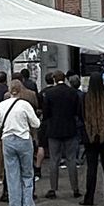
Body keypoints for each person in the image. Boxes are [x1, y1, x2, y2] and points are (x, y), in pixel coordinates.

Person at [0, 76, 41, 206]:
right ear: (21, 90)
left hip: (8, 140)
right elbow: (36, 123)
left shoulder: (2, 105)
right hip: (23, 139)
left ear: (9, 91)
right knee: (27, 174)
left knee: (12, 176)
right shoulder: (25, 105)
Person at [40, 70, 82, 199]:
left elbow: (46, 113)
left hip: (54, 130)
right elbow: (78, 111)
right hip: (70, 129)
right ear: (65, 79)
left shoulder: (49, 93)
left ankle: (53, 188)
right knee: (71, 160)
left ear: (53, 78)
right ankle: (75, 188)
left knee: (54, 159)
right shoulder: (73, 93)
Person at [80, 73, 104, 206]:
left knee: (92, 168)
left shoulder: (85, 98)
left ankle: (89, 198)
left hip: (90, 137)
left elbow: (81, 116)